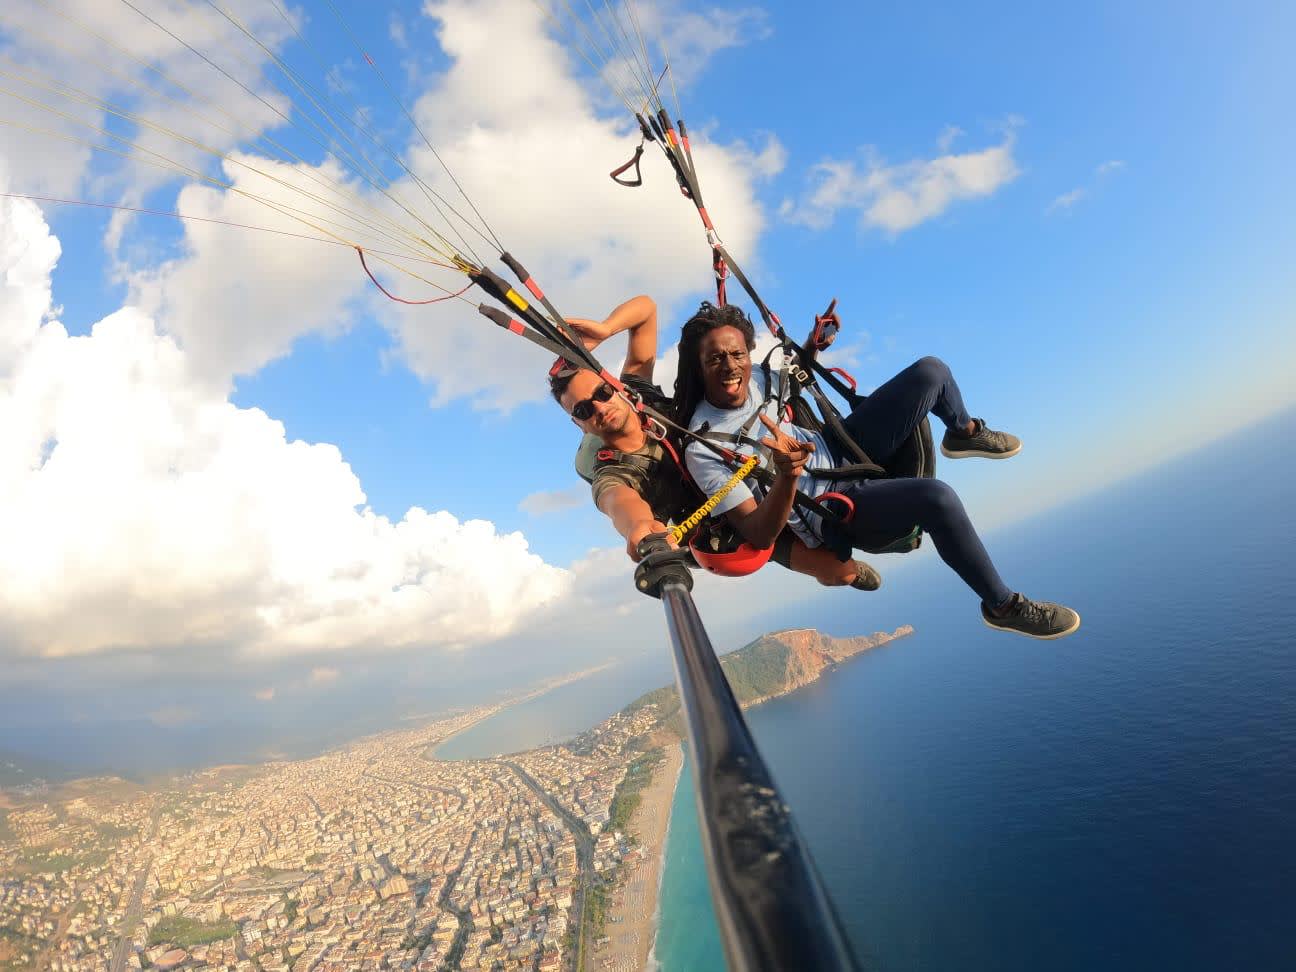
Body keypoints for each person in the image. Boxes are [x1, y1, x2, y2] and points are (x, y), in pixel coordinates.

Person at [675, 301, 1080, 640]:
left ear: (748, 354)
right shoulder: (704, 445)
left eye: (737, 354)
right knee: (938, 498)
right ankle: (1003, 605)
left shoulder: (759, 378)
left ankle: (964, 433)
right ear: (699, 368)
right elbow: (759, 532)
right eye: (715, 359)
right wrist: (787, 476)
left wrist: (813, 347)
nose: (730, 366)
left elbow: (791, 381)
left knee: (931, 372)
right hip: (830, 507)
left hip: (842, 445)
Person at [549, 295, 881, 590]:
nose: (600, 407)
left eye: (602, 392)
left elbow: (646, 309)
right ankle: (845, 572)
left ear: (614, 386)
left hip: (745, 468)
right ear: (578, 424)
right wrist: (643, 532)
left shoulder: (638, 395)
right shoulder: (614, 473)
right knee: (840, 573)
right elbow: (620, 504)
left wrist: (606, 328)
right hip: (727, 519)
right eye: (583, 410)